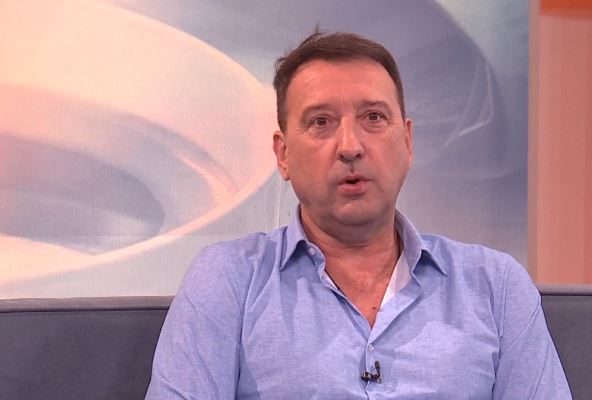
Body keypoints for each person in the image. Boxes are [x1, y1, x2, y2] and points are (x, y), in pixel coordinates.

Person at [145, 31, 571, 399]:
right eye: (321, 122)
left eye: (373, 117)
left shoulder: (495, 287)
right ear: (283, 154)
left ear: (407, 141)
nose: (350, 146)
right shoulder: (229, 280)